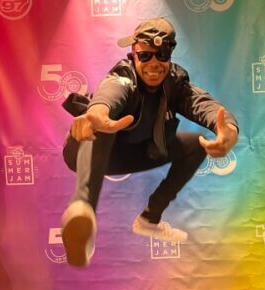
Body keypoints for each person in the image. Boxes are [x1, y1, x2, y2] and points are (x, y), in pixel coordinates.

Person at [61, 17, 239, 267]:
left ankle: (150, 218)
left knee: (197, 145)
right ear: (134, 55)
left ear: (170, 55)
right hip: (88, 149)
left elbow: (202, 104)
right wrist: (98, 111)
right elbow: (111, 90)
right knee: (104, 124)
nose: (154, 63)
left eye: (162, 55)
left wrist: (229, 129)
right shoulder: (124, 76)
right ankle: (82, 212)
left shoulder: (175, 83)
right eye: (145, 56)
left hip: (137, 152)